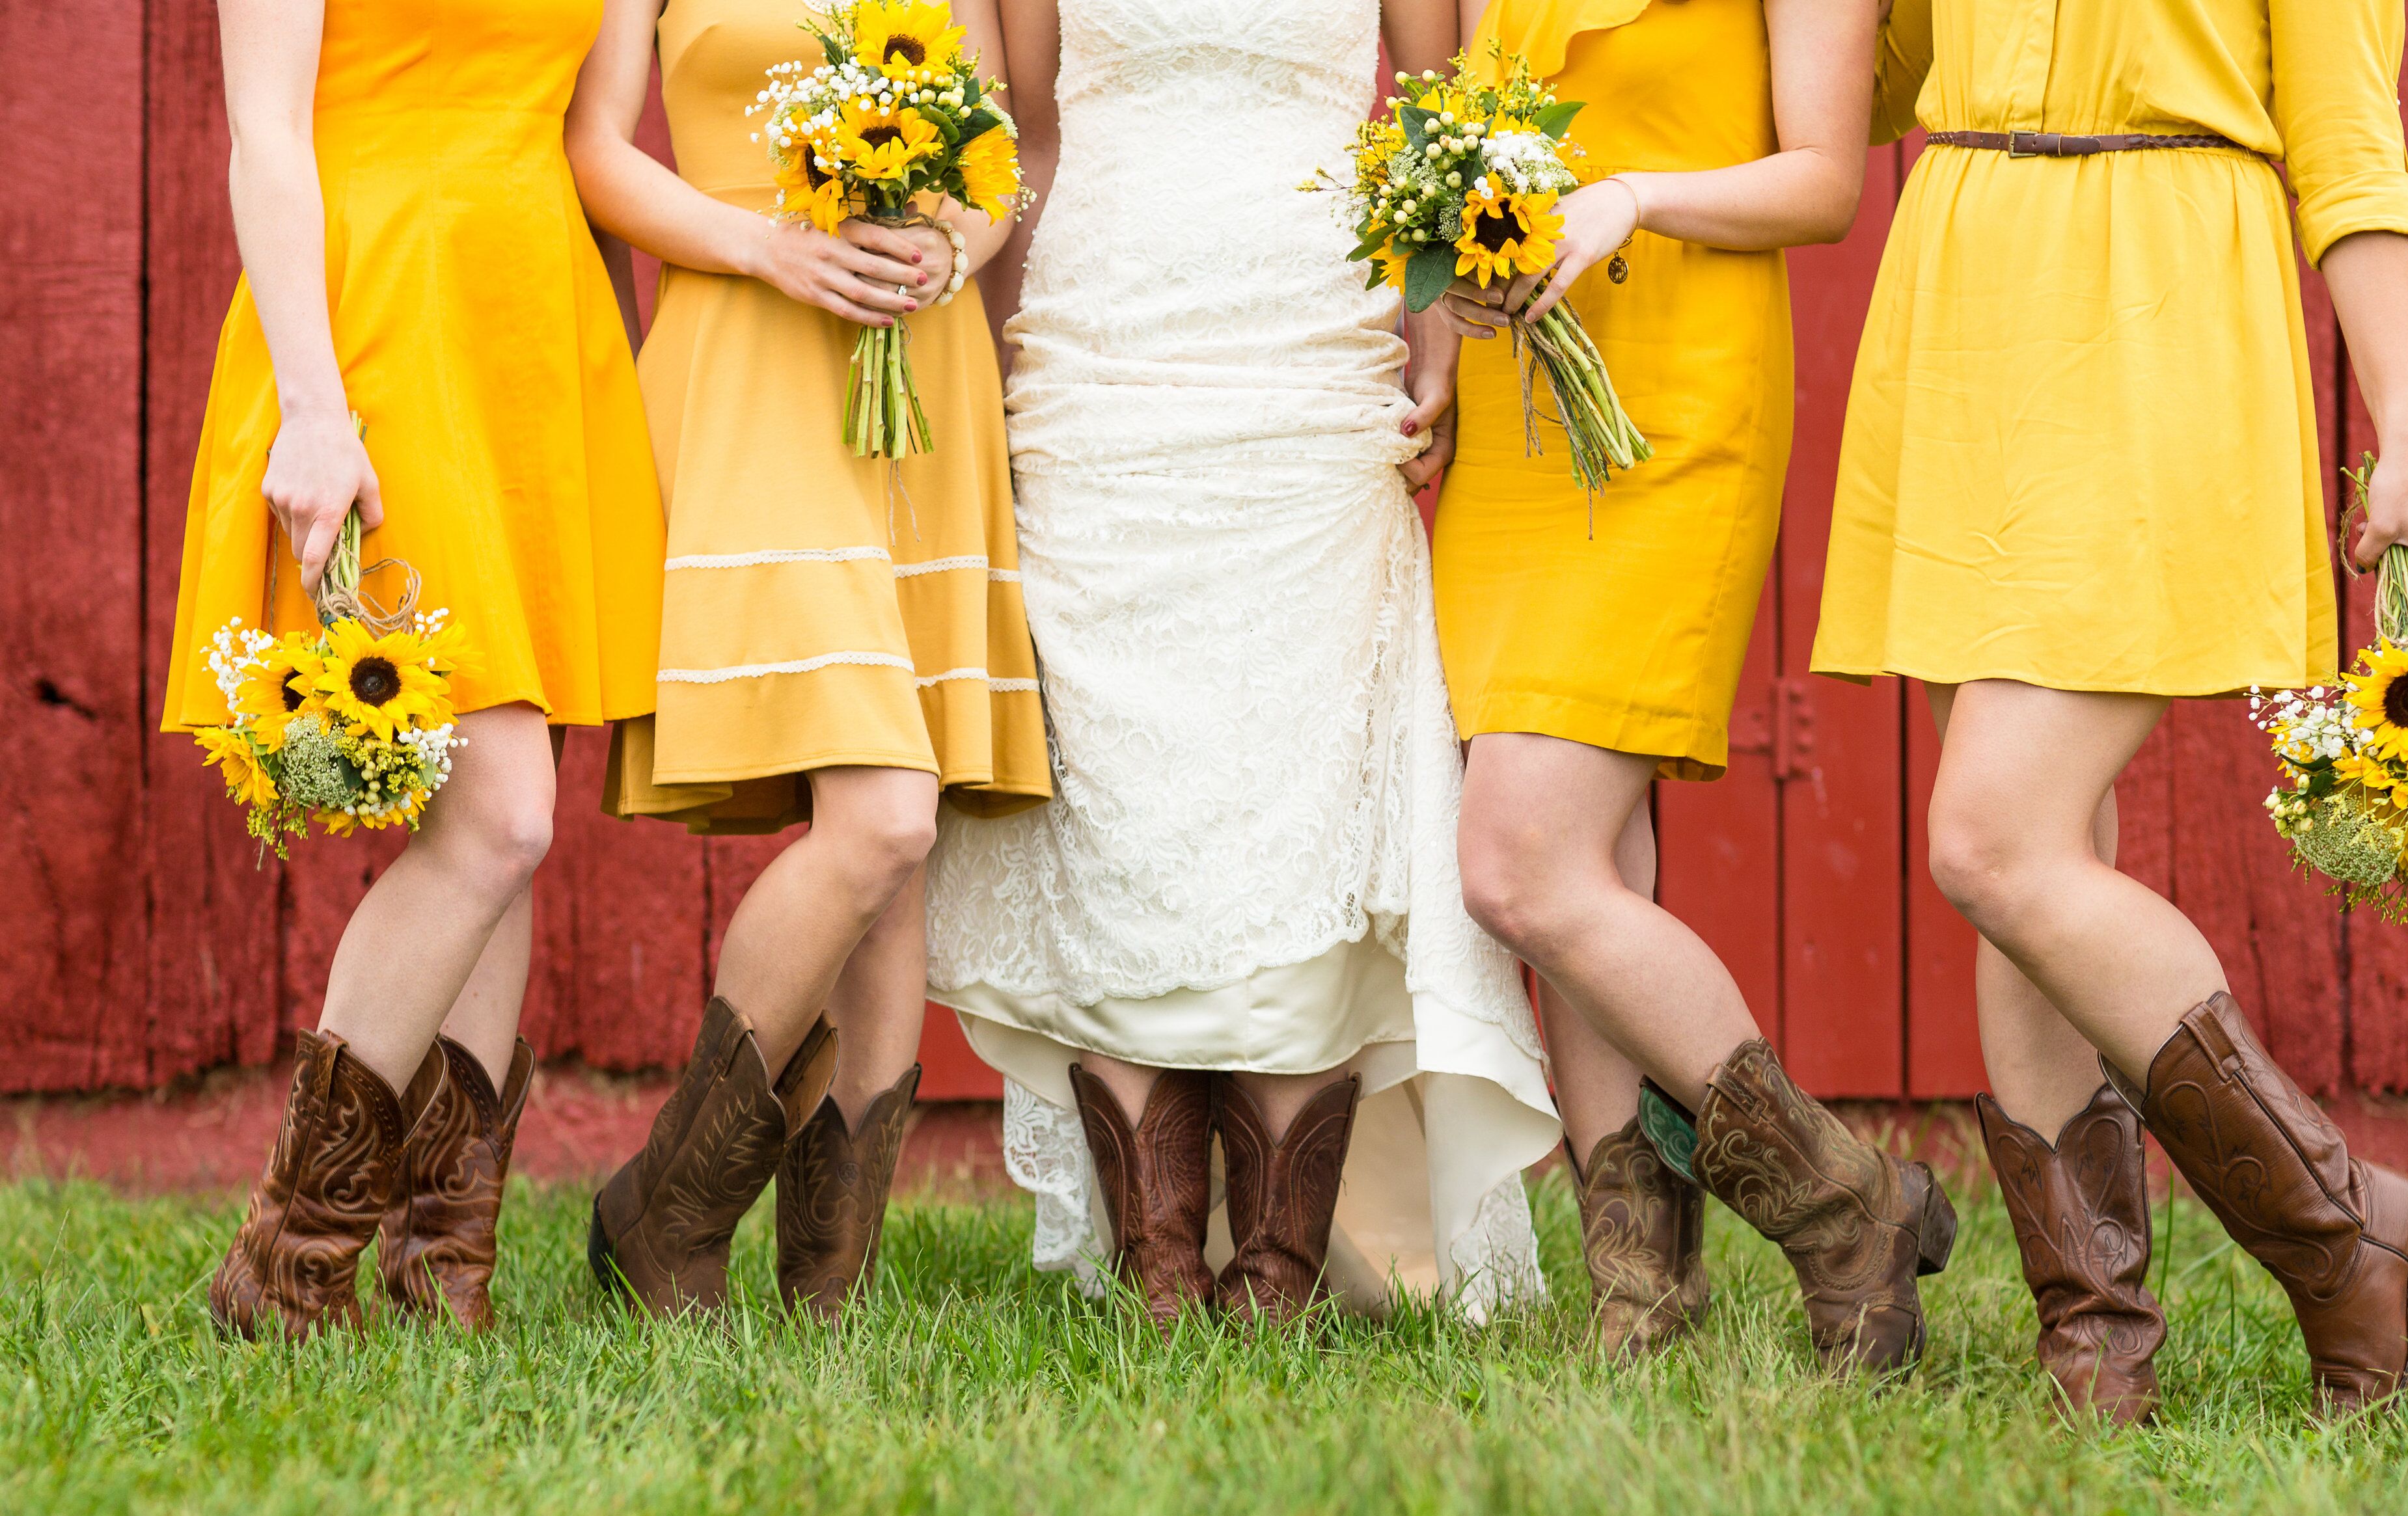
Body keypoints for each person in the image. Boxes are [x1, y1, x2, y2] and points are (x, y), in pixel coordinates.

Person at [1816, 0, 2408, 1418]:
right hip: (1966, 301)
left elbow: (2347, 144)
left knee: (1990, 838)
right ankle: (2094, 1344)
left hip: (2157, 305)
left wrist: (2400, 435)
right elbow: (1876, 82)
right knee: (2035, 855)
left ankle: (2341, 1224)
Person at [922, 0, 1563, 1328]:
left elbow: (1437, 110)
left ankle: (1273, 1265)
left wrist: (1433, 342)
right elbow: (1030, 132)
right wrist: (995, 368)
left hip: (1311, 344)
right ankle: (1159, 1263)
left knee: (1296, 777)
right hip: (1103, 346)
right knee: (1121, 792)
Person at [1429, 0, 1958, 1370]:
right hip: (1527, 402)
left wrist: (1631, 199)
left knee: (1516, 862)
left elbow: (1824, 184)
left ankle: (1845, 1202)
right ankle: (1640, 1299)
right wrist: (1461, 279)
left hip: (1677, 403)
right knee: (1588, 852)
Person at [170, 0, 666, 1338]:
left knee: (502, 808)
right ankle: (284, 1260)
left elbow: (594, 138)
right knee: (503, 817)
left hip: (533, 326)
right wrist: (315, 407)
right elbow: (265, 134)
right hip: (377, 308)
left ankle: (443, 1272)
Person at [565, 0, 1053, 1319]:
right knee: (883, 814)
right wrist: (762, 246)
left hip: (915, 364)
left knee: (895, 837)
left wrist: (950, 244)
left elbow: (1000, 144)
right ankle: (665, 1208)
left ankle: (824, 1285)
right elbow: (597, 151)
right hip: (749, 351)